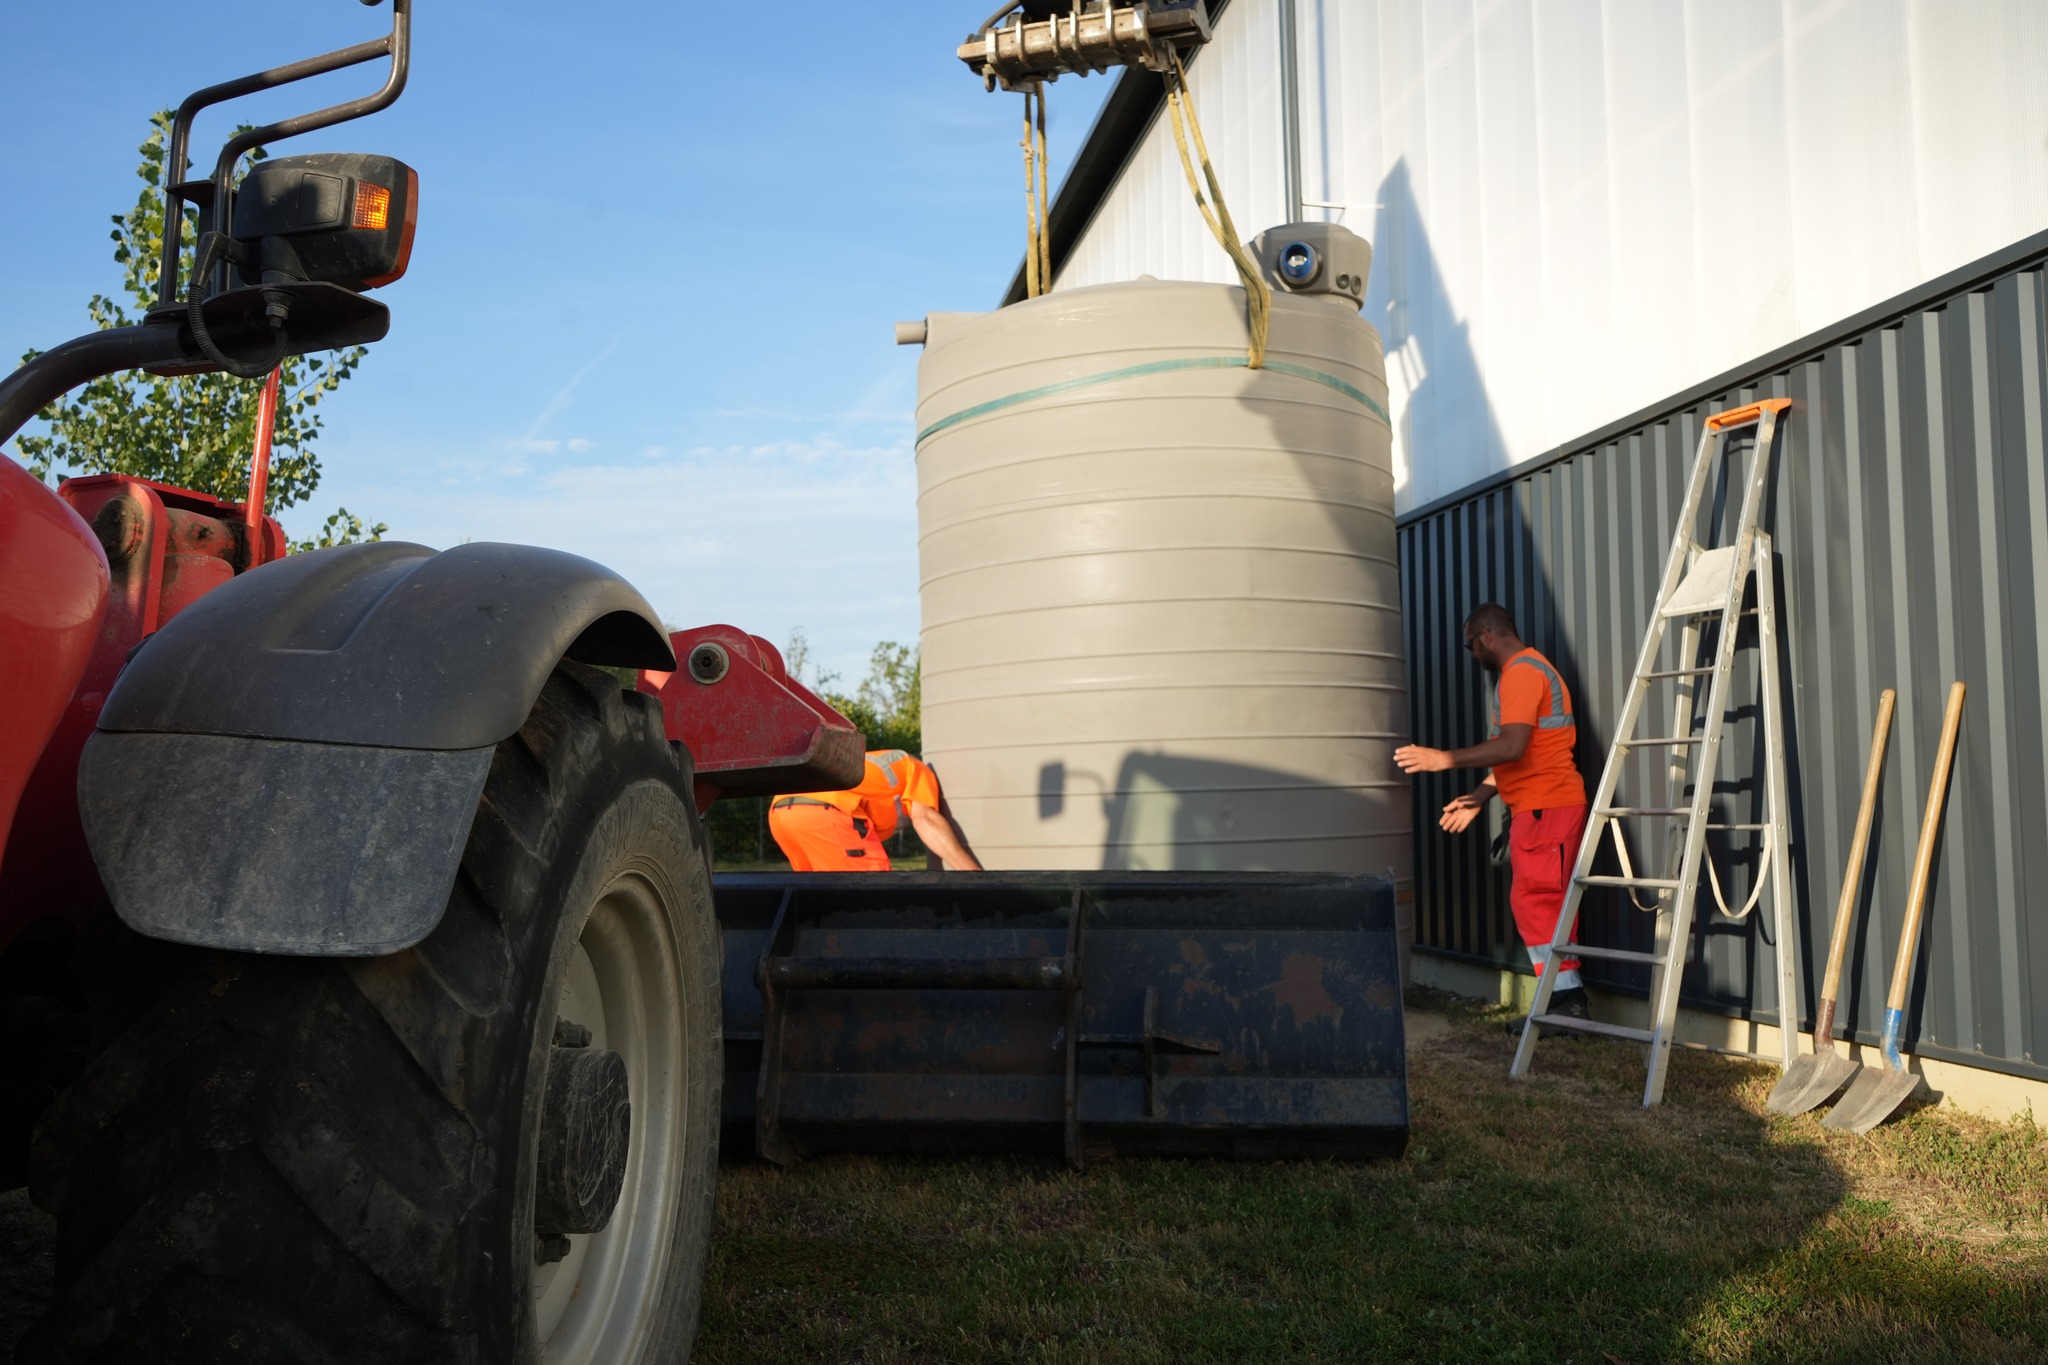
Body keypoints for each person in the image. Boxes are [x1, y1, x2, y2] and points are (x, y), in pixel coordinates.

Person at [1393, 603, 1592, 1027]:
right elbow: (1521, 756)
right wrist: (1480, 797)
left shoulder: (1520, 674)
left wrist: (1439, 759)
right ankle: (1565, 1002)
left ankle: (1565, 1003)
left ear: (1486, 635)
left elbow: (1511, 748)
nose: (1473, 656)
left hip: (1545, 806)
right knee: (1546, 903)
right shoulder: (1531, 669)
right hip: (1544, 804)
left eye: (1470, 646)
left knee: (1536, 901)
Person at [768, 748, 984, 873]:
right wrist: (977, 878)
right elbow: (925, 819)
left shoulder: (873, 770)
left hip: (781, 811)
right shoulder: (916, 769)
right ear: (902, 799)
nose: (902, 824)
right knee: (869, 897)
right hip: (827, 811)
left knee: (816, 898)